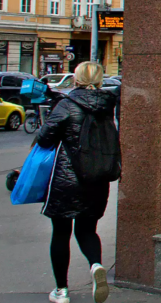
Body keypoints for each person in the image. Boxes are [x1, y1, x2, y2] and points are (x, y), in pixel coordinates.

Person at [37, 61, 116, 303]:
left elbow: (44, 138)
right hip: (97, 178)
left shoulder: (66, 104)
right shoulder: (107, 105)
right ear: (100, 79)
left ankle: (61, 291)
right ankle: (95, 265)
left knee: (61, 233)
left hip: (67, 179)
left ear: (77, 78)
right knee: (88, 230)